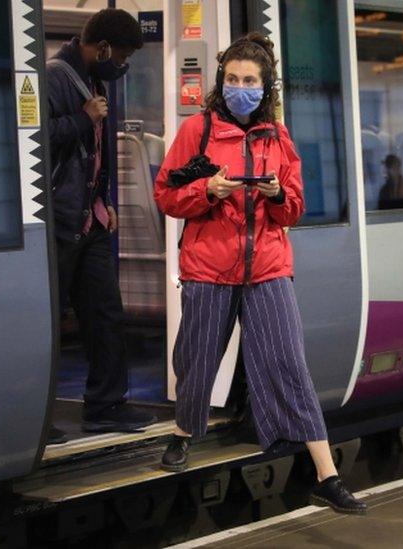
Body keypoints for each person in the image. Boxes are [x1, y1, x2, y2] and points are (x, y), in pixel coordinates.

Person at [152, 33, 366, 515]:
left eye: (249, 81)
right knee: (198, 355)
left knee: (289, 361)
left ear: (265, 86)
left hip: (268, 267)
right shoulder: (197, 132)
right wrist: (208, 189)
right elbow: (166, 196)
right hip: (208, 266)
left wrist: (274, 197)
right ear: (220, 82)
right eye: (232, 79)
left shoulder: (278, 137)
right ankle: (183, 434)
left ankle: (326, 475)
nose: (239, 88)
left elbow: (294, 210)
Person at [45, 9, 156, 437]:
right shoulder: (55, 76)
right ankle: (40, 418)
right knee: (51, 322)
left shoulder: (91, 80)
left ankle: (107, 403)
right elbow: (33, 136)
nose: (122, 64)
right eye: (122, 54)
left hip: (87, 219)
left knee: (105, 313)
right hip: (57, 220)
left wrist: (102, 202)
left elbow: (92, 154)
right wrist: (82, 118)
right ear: (103, 47)